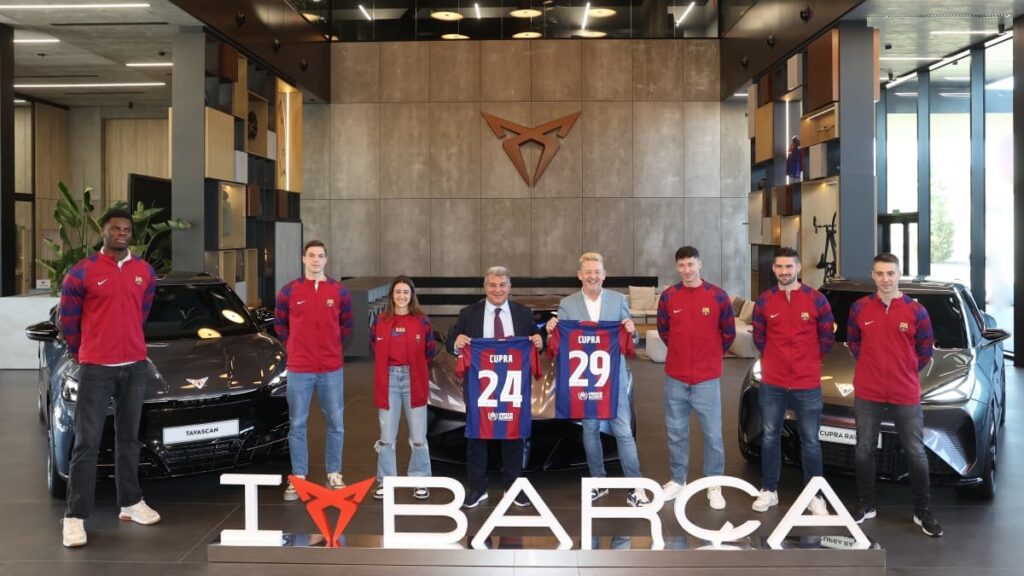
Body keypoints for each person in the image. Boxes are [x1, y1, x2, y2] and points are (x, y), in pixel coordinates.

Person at [59, 207, 160, 548]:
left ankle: (130, 502)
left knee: (129, 438)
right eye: (115, 228)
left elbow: (141, 312)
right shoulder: (81, 272)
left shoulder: (144, 272)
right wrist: (85, 351)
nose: (121, 233)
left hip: (134, 366)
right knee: (87, 443)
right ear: (103, 232)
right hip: (96, 368)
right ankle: (75, 517)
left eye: (126, 229)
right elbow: (69, 321)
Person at [847, 253, 942, 537]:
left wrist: (906, 369)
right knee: (864, 449)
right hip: (868, 390)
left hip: (905, 391)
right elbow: (854, 342)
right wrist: (872, 366)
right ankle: (866, 504)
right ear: (873, 275)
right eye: (880, 273)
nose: (885, 279)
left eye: (890, 273)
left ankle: (922, 511)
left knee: (916, 452)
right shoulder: (859, 308)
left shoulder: (916, 311)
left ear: (899, 274)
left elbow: (925, 350)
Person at [545, 252, 648, 507]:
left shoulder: (618, 300)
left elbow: (630, 340)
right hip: (584, 379)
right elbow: (559, 344)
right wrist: (551, 332)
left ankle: (636, 487)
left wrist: (633, 332)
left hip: (613, 378)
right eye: (588, 272)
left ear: (604, 275)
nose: (593, 276)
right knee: (590, 430)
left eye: (597, 272)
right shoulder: (567, 304)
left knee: (623, 431)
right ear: (580, 275)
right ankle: (598, 482)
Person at [446, 266, 544, 509]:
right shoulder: (469, 313)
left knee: (513, 438)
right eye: (492, 285)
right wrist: (457, 343)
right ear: (485, 287)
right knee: (477, 438)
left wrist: (539, 341)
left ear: (510, 287)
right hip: (480, 387)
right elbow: (450, 342)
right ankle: (478, 489)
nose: (497, 290)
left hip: (512, 387)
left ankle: (513, 488)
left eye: (502, 285)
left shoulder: (523, 313)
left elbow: (537, 339)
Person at [750, 247, 835, 514]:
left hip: (806, 383)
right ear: (773, 269)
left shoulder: (817, 300)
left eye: (789, 266)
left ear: (798, 268)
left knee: (810, 441)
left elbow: (826, 338)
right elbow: (759, 338)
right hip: (773, 383)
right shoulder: (764, 301)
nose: (784, 271)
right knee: (770, 437)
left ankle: (814, 494)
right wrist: (774, 360)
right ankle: (769, 490)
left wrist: (807, 361)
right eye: (780, 267)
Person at [656, 246, 735, 509]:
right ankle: (678, 480)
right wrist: (680, 353)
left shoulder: (718, 296)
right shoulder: (669, 296)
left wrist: (710, 355)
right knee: (676, 432)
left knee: (713, 435)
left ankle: (714, 483)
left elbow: (728, 334)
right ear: (677, 267)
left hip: (706, 380)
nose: (687, 270)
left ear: (700, 264)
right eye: (682, 265)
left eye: (691, 264)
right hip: (675, 378)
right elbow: (664, 331)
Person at [275, 240, 353, 501]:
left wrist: (331, 347)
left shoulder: (340, 291)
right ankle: (299, 476)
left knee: (336, 423)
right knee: (297, 424)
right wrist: (296, 347)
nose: (316, 260)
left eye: (320, 256)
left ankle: (334, 473)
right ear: (303, 259)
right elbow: (280, 326)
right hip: (299, 369)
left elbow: (347, 327)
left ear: (326, 260)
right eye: (311, 255)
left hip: (331, 369)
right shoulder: (288, 291)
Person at [369, 276, 437, 500]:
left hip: (413, 379)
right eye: (397, 292)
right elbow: (374, 345)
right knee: (387, 435)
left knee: (418, 435)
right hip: (388, 379)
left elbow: (430, 351)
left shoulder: (422, 321)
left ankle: (420, 480)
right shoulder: (380, 321)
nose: (401, 296)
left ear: (411, 295)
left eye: (406, 292)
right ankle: (385, 481)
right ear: (392, 295)